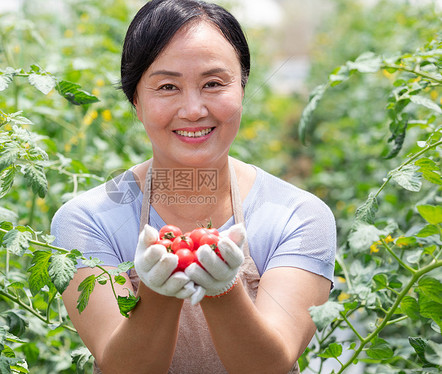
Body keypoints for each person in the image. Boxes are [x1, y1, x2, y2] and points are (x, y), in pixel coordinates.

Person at [51, 0, 336, 373]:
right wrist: (157, 293)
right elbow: (123, 367)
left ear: (242, 89)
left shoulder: (301, 217)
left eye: (214, 84)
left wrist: (222, 290)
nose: (193, 110)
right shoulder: (87, 221)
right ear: (135, 101)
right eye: (167, 86)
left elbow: (271, 364)